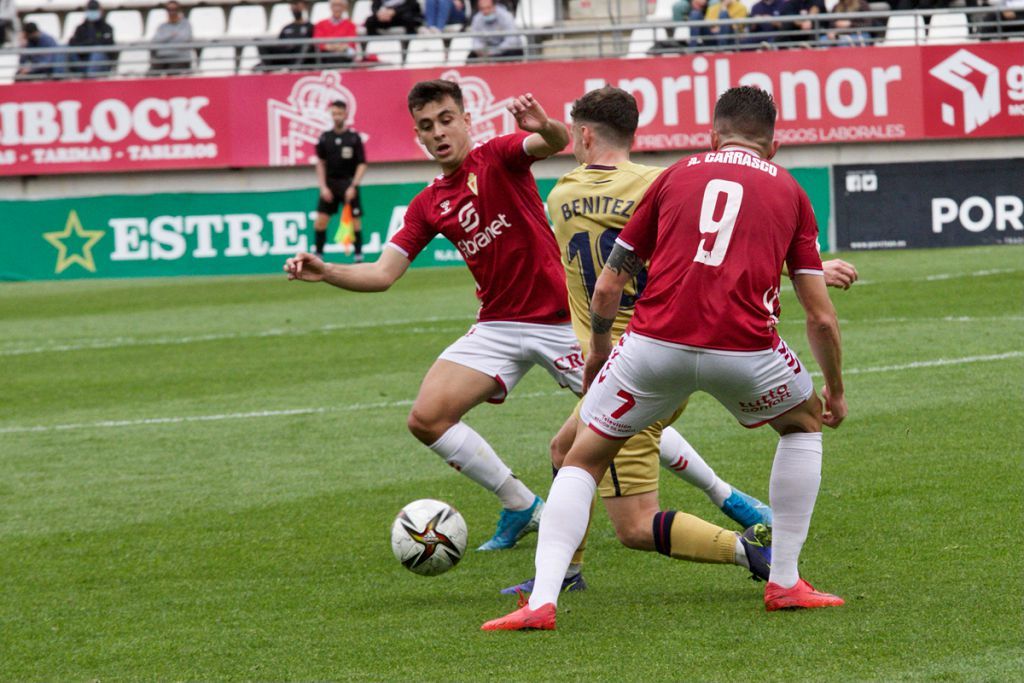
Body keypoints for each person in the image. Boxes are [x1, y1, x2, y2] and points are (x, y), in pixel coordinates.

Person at [484, 86, 847, 631]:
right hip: (745, 349)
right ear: (772, 146)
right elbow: (819, 316)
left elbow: (609, 285)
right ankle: (785, 582)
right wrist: (834, 392)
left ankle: (542, 601)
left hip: (653, 347)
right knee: (801, 427)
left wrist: (601, 351)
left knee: (578, 457)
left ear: (711, 136)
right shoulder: (792, 192)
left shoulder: (675, 174)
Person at [286, 81, 580, 551]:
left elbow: (555, 142)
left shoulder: (499, 156)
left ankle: (727, 498)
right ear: (418, 136)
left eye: (446, 120)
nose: (439, 132)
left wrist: (543, 125)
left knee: (630, 413)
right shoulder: (428, 205)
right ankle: (522, 505)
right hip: (498, 325)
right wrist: (327, 271)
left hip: (561, 322)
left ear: (466, 120)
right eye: (427, 126)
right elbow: (383, 274)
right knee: (427, 418)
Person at [312, 100, 367, 261]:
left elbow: (362, 164)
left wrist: (353, 185)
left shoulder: (354, 138)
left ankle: (358, 256)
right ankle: (318, 256)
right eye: (334, 113)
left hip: (348, 184)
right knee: (320, 222)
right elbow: (320, 163)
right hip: (330, 184)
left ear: (346, 114)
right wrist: (323, 187)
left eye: (339, 113)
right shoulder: (325, 138)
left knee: (355, 222)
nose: (336, 117)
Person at [259, 0, 314, 70]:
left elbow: (312, 47)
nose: (295, 7)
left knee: (305, 45)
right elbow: (279, 44)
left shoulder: (310, 27)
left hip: (301, 57)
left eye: (297, 4)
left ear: (304, 6)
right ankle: (268, 70)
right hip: (285, 55)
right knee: (259, 42)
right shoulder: (286, 28)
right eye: (292, 5)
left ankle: (294, 70)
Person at [68, 0, 116, 76]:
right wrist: (92, 43)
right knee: (64, 49)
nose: (92, 12)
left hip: (101, 64)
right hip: (82, 62)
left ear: (101, 11)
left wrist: (88, 44)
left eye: (94, 10)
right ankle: (57, 78)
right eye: (90, 10)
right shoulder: (80, 28)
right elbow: (73, 43)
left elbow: (109, 46)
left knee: (98, 52)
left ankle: (90, 80)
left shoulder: (107, 28)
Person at [149, 1, 193, 75]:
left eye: (175, 9)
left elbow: (184, 39)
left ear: (179, 11)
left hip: (179, 57)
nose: (172, 12)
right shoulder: (162, 26)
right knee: (151, 73)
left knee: (172, 73)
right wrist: (171, 35)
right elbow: (155, 40)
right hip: (162, 57)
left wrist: (164, 42)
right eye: (169, 10)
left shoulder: (185, 24)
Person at [313, 0, 358, 65]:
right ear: (330, 7)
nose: (337, 8)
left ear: (344, 7)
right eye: (334, 5)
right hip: (326, 56)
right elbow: (318, 42)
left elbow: (351, 43)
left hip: (344, 56)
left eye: (340, 5)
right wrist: (334, 47)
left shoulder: (351, 25)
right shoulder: (320, 24)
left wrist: (334, 46)